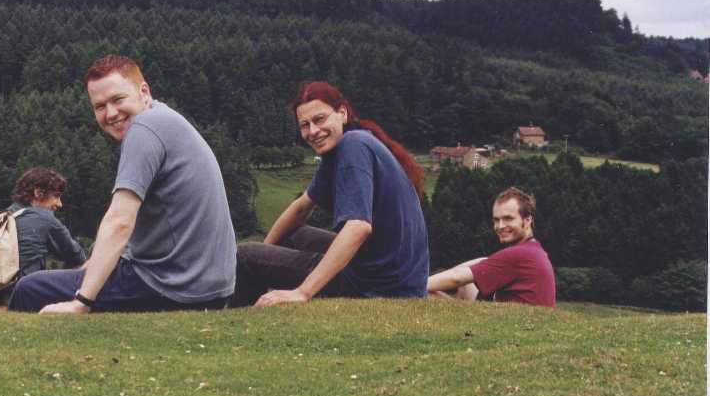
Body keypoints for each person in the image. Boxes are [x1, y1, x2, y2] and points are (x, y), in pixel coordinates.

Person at [9, 54, 236, 313]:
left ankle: (17, 339)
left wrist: (81, 302)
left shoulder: (144, 128)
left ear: (144, 92)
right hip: (209, 285)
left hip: (173, 286)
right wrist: (90, 269)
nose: (111, 113)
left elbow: (120, 221)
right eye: (100, 106)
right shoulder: (165, 119)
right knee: (79, 277)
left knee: (30, 288)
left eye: (118, 99)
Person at [230, 81, 428, 306]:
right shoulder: (345, 146)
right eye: (305, 125)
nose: (313, 131)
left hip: (379, 286)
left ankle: (239, 321)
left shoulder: (352, 146)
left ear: (342, 113)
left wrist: (302, 292)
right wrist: (265, 254)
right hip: (393, 276)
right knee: (293, 234)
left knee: (245, 256)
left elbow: (358, 227)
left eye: (320, 119)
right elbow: (301, 208)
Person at [0, 167, 88, 308]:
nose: (59, 204)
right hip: (26, 295)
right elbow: (78, 257)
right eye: (56, 196)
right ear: (38, 193)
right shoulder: (44, 218)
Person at [427, 187, 555, 307]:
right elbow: (477, 265)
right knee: (471, 278)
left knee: (422, 293)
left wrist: (417, 284)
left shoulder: (519, 254)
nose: (500, 226)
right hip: (520, 318)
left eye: (508, 219)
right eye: (496, 220)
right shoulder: (533, 249)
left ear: (527, 220)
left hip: (517, 322)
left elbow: (456, 278)